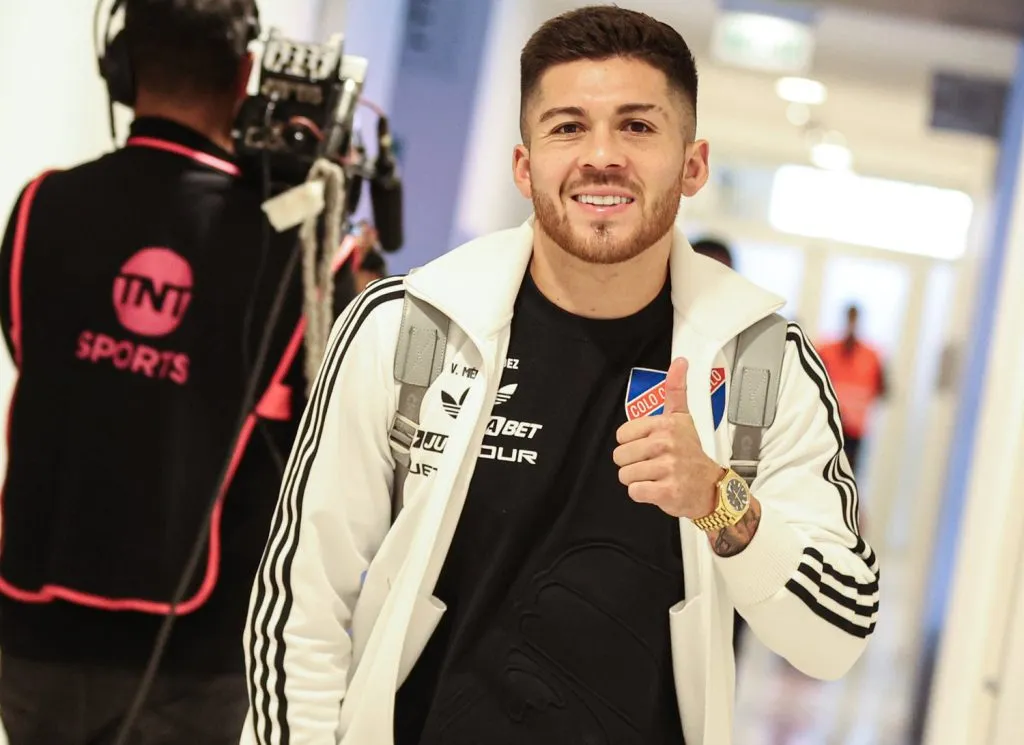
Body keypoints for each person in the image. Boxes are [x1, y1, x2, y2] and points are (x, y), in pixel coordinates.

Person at [242, 7, 879, 745]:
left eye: (637, 126)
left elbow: (837, 635)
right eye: (568, 127)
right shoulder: (406, 327)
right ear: (525, 165)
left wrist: (717, 498)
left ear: (693, 164)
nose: (601, 156)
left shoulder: (763, 361)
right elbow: (301, 605)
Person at [0, 1, 354, 743]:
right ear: (246, 74)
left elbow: (38, 357)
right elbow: (320, 434)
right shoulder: (292, 243)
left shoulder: (40, 206)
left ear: (121, 67)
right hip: (194, 654)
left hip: (29, 627)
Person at [816, 303, 888, 475]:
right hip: (827, 424)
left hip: (854, 430)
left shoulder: (872, 356)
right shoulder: (826, 350)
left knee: (846, 474)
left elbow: (884, 389)